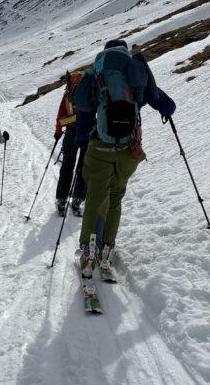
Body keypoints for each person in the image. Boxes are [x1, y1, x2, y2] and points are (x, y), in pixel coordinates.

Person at [72, 40, 175, 278]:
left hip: (100, 148)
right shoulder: (135, 75)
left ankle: (89, 250)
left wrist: (83, 142)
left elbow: (84, 114)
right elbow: (167, 105)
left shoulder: (96, 76)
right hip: (129, 151)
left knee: (96, 197)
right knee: (115, 197)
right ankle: (107, 248)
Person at [54, 71, 87, 217]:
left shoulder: (67, 95)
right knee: (83, 167)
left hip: (71, 132)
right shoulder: (89, 91)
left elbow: (61, 115)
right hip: (88, 133)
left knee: (67, 166)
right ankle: (77, 199)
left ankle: (62, 199)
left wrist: (58, 131)